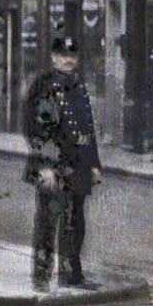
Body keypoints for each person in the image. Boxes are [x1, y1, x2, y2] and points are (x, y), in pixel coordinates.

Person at [23, 31, 104, 289]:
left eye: (72, 56)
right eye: (62, 56)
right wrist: (45, 165)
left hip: (78, 164)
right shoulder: (44, 86)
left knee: (75, 222)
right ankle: (42, 274)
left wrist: (94, 165)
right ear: (53, 58)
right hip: (53, 165)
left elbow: (86, 128)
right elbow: (36, 128)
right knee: (48, 220)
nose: (68, 60)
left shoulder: (79, 87)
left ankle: (71, 274)